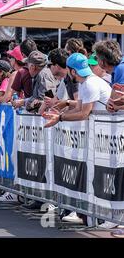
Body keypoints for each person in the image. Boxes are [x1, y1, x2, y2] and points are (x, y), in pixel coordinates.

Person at [43, 53, 114, 228]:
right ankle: (98, 215)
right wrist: (66, 104)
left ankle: (110, 218)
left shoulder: (89, 83)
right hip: (101, 135)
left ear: (73, 71)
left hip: (108, 135)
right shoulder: (86, 82)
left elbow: (83, 113)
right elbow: (81, 106)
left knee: (105, 176)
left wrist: (59, 118)